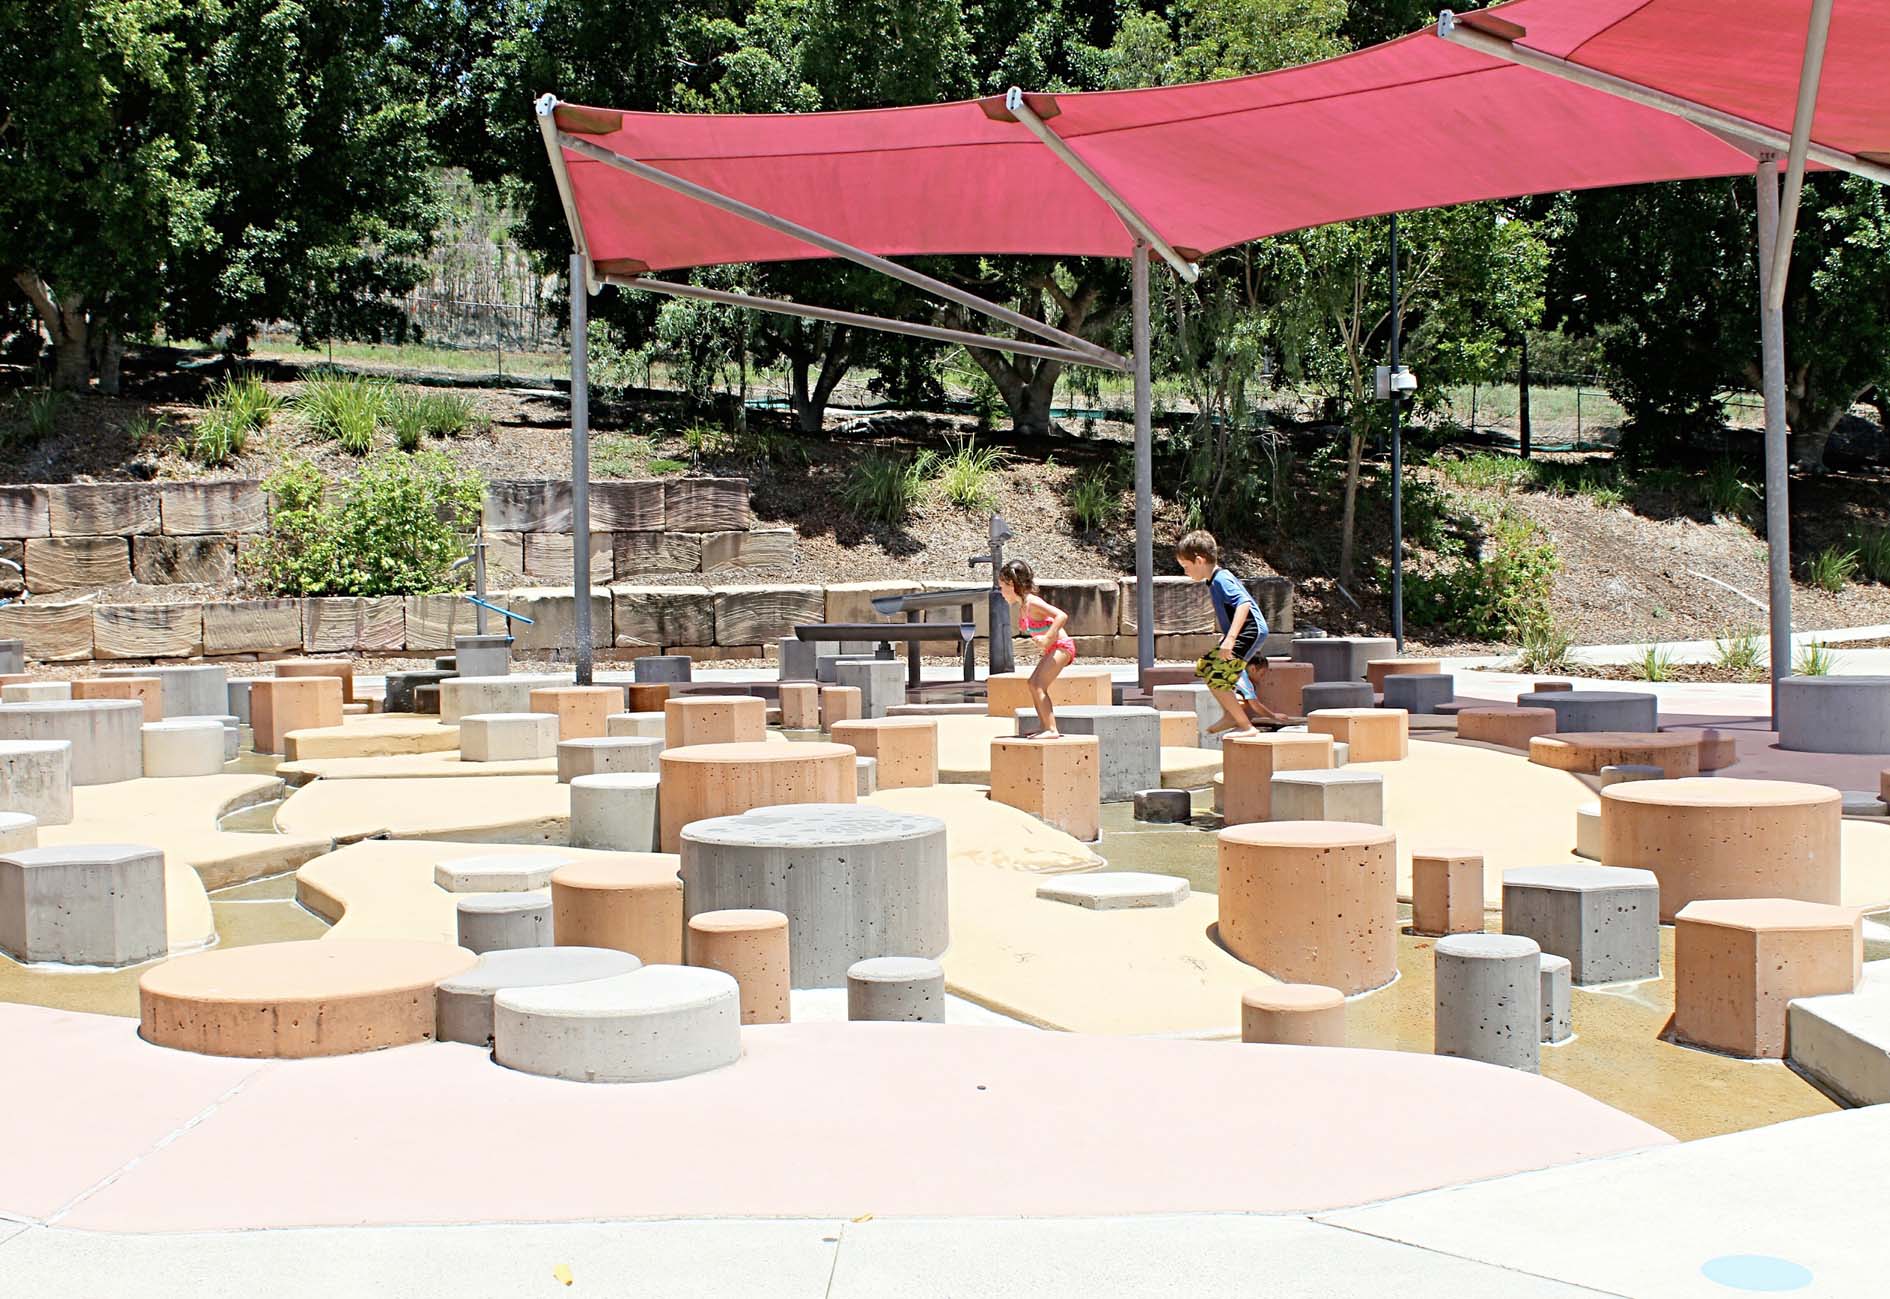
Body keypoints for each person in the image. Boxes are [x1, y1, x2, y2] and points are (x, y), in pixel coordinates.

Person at [1174, 529, 1286, 736]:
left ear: (1199, 560)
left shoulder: (1221, 579)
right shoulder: (1215, 579)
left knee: (1216, 676)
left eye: (1186, 567)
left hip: (1249, 632)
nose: (1185, 572)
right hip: (1244, 632)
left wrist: (1230, 639)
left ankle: (1245, 725)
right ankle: (1230, 714)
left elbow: (1243, 604)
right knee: (1206, 666)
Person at [998, 557, 1074, 739]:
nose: (1001, 592)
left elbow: (1061, 616)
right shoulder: (1023, 605)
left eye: (1002, 587)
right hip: (1053, 648)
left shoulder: (1032, 602)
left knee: (1038, 684)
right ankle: (1045, 726)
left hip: (1062, 647)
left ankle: (1051, 729)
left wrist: (1048, 637)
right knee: (1033, 684)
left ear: (1011, 584)